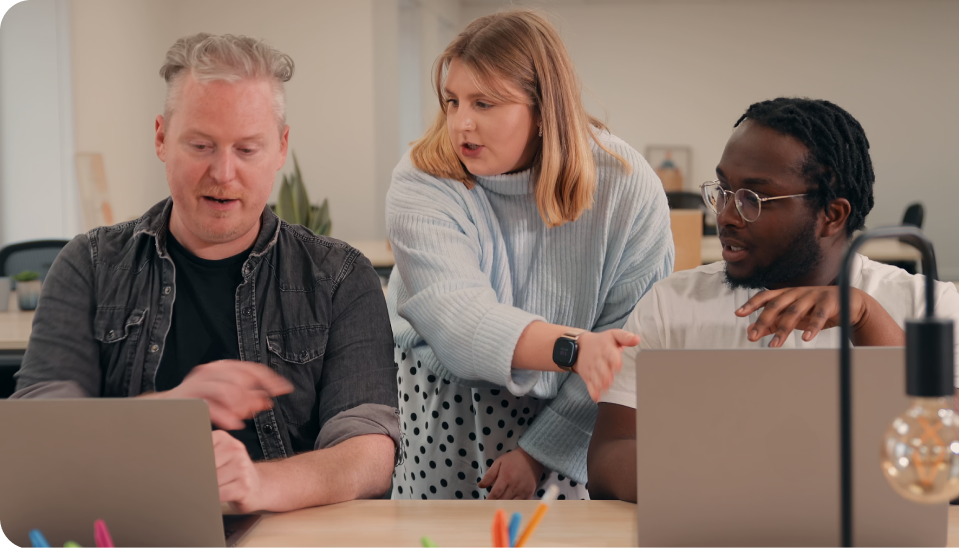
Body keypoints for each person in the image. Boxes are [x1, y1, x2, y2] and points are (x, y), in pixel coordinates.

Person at [11, 33, 400, 513]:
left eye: (247, 149)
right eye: (200, 145)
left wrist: (256, 486)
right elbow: (38, 433)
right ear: (160, 137)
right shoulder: (89, 265)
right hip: (123, 523)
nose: (223, 172)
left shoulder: (340, 276)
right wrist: (169, 410)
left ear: (280, 148)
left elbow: (368, 452)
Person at [587, 97, 959, 504]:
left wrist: (868, 320)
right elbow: (607, 460)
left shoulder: (925, 306)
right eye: (724, 190)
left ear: (833, 215)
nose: (727, 215)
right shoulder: (671, 305)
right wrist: (743, 477)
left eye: (753, 199)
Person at [386, 10, 673, 501]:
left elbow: (621, 347)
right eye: (452, 101)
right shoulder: (421, 179)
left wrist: (540, 453)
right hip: (446, 413)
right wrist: (576, 348)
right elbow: (460, 319)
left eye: (484, 103)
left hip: (573, 417)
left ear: (544, 109)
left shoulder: (626, 186)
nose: (461, 123)